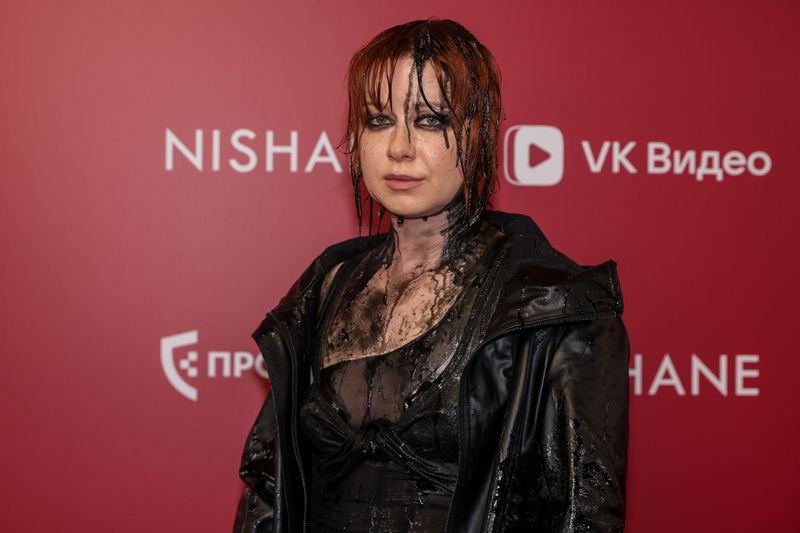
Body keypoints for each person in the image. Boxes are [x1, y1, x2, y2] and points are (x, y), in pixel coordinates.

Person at [234, 18, 629, 533]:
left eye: (430, 120)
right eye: (379, 120)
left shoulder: (557, 306)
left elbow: (585, 516)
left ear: (479, 133)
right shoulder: (325, 288)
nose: (399, 147)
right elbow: (270, 494)